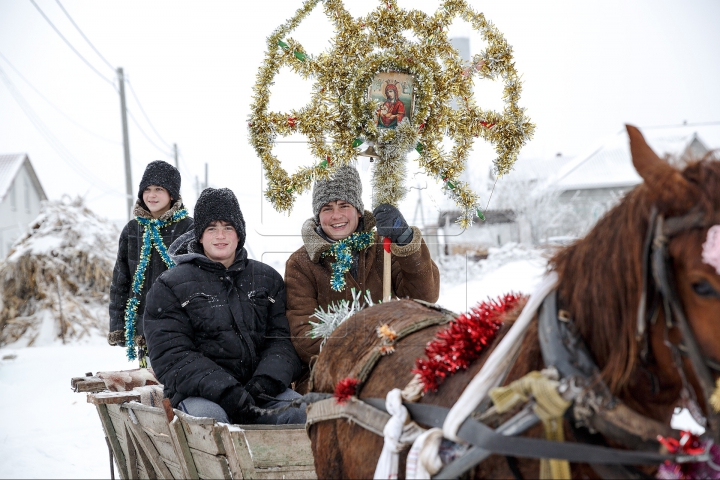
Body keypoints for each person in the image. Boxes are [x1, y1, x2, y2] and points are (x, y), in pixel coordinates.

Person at [143, 188, 304, 425]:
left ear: (239, 234)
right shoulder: (170, 286)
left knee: (303, 412)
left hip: (260, 392)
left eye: (228, 227)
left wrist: (265, 382)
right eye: (211, 228)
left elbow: (281, 340)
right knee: (213, 422)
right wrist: (226, 391)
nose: (221, 235)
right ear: (199, 236)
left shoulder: (267, 279)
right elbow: (172, 355)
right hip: (200, 395)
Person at [285, 166, 440, 390]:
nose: (336, 216)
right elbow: (305, 335)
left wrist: (404, 241)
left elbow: (425, 295)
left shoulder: (382, 249)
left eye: (344, 206)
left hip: (390, 362)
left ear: (358, 210)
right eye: (327, 208)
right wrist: (362, 358)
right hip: (328, 372)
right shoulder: (301, 264)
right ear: (318, 216)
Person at [108, 160, 193, 366]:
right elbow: (121, 281)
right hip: (143, 324)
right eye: (147, 189)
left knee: (180, 379)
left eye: (159, 189)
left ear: (172, 194)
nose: (151, 195)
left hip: (181, 325)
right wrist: (118, 327)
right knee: (150, 381)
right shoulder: (131, 230)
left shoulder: (189, 228)